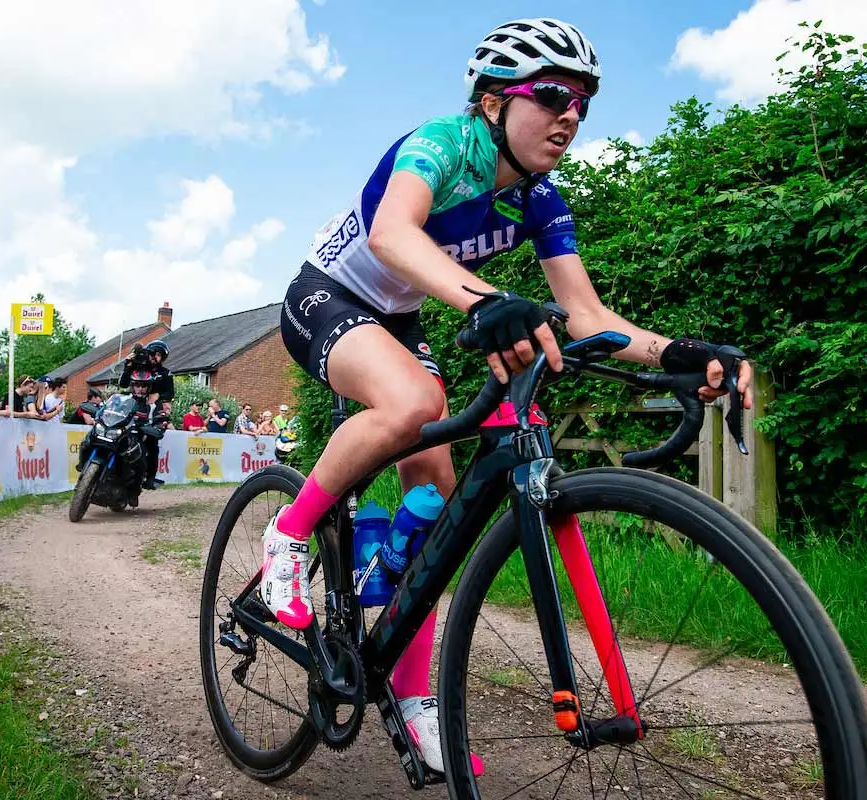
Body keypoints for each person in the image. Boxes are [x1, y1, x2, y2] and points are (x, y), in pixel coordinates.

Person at [267, 17, 753, 776]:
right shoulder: (443, 142)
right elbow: (395, 233)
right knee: (414, 405)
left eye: (583, 103)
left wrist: (679, 352)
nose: (571, 115)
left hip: (397, 314)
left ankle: (409, 690)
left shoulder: (539, 198)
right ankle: (288, 535)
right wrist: (490, 299)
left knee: (437, 496)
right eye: (553, 93)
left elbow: (586, 314)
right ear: (494, 101)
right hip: (329, 292)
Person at [121, 342, 174, 488]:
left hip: (151, 408)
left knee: (152, 441)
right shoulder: (140, 367)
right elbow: (124, 383)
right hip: (132, 404)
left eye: (159, 356)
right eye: (153, 354)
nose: (155, 358)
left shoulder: (165, 373)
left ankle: (150, 477)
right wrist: (128, 364)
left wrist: (158, 396)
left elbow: (170, 393)